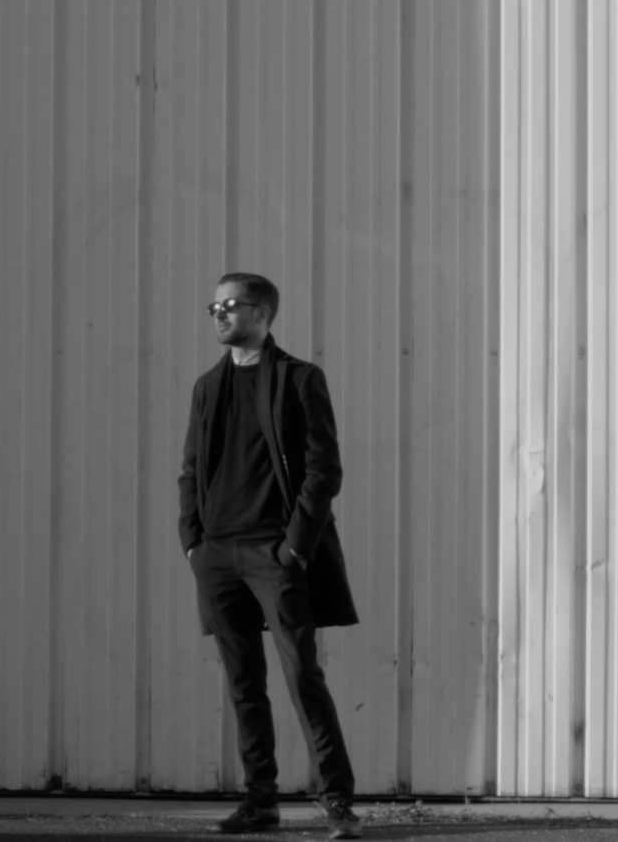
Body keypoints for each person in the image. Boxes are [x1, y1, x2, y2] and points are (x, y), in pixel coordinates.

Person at [177, 273, 362, 839]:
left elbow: (323, 469)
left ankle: (337, 804)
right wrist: (193, 542)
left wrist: (294, 547)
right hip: (217, 554)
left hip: (273, 552)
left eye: (230, 305)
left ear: (261, 314)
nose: (218, 314)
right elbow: (190, 470)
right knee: (243, 684)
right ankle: (260, 803)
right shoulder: (207, 386)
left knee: (302, 675)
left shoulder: (299, 378)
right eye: (213, 306)